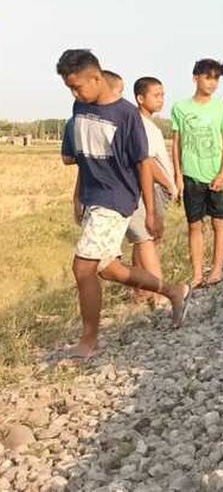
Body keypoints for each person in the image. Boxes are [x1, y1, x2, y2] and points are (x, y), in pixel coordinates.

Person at [57, 49, 190, 360]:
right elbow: (81, 158)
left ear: (96, 77)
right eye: (70, 88)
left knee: (83, 268)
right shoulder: (81, 107)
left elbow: (144, 165)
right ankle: (174, 291)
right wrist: (78, 195)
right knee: (107, 267)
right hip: (94, 197)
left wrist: (152, 213)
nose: (75, 93)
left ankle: (88, 341)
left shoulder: (126, 115)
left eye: (78, 86)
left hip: (115, 199)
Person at [171, 58, 223, 287]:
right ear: (195, 78)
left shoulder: (222, 107)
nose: (212, 83)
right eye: (208, 77)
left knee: (219, 223)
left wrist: (222, 172)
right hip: (191, 176)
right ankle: (197, 273)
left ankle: (217, 269)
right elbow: (177, 144)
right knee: (194, 225)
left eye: (216, 78)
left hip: (217, 175)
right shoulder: (180, 108)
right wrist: (178, 176)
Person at [128, 76, 177, 306]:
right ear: (140, 98)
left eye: (163, 95)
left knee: (147, 238)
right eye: (156, 95)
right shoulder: (139, 125)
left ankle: (139, 289)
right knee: (147, 237)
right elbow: (146, 162)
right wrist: (168, 183)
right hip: (148, 188)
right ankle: (155, 292)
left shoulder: (151, 125)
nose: (161, 99)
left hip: (156, 188)